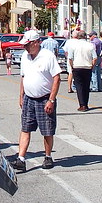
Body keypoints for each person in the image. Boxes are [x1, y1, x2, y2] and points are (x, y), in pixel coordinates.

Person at [14, 30, 61, 172]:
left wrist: (51, 100)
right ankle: (21, 159)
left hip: (44, 98)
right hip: (29, 98)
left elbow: (57, 78)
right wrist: (21, 96)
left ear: (36, 43)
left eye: (28, 45)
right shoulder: (25, 57)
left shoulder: (47, 56)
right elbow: (24, 76)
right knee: (25, 128)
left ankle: (47, 156)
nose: (25, 48)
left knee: (47, 130)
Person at [66, 29, 97, 111]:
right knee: (86, 86)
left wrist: (72, 66)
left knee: (79, 86)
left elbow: (70, 58)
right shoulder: (90, 45)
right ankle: (86, 104)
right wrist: (92, 66)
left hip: (77, 66)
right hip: (87, 67)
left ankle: (82, 104)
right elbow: (95, 58)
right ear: (85, 37)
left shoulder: (73, 46)